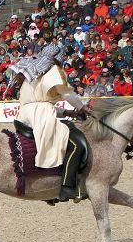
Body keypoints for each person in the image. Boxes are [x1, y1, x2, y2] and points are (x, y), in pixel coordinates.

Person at [8, 44, 92, 201]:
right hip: (41, 116)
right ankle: (67, 187)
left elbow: (39, 102)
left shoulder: (31, 70)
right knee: (76, 144)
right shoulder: (54, 70)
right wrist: (82, 107)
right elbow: (67, 94)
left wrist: (65, 112)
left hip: (25, 115)